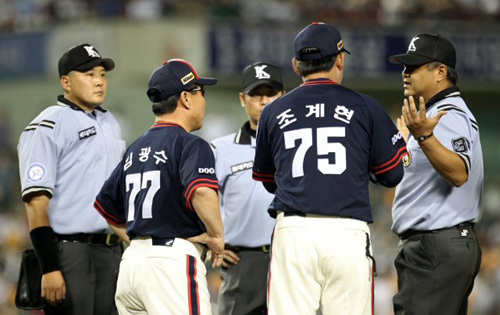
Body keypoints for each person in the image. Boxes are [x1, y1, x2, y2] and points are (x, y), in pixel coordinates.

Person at [252, 22, 407, 315]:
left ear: (296, 65)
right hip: (346, 232)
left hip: (294, 231)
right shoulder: (366, 107)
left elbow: (269, 180)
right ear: (340, 59)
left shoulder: (273, 111)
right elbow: (392, 174)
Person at [93, 59, 225, 314]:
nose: (203, 100)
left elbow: (107, 208)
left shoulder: (135, 148)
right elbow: (200, 191)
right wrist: (216, 235)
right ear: (186, 98)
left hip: (132, 265)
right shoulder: (190, 144)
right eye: (201, 92)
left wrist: (140, 244)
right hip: (170, 265)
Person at [17, 43, 125, 315]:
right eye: (89, 75)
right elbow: (36, 205)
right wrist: (50, 267)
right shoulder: (48, 125)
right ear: (66, 82)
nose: (99, 81)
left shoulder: (110, 122)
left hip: (112, 250)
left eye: (102, 74)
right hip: (70, 252)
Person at [389, 33, 483, 315]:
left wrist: (424, 136)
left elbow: (458, 172)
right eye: (405, 66)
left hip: (437, 243)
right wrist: (409, 143)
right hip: (435, 245)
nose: (405, 72)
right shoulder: (430, 115)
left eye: (414, 66)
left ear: (441, 72)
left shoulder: (448, 113)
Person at [211, 62, 285, 315]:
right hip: (243, 261)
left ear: (283, 97)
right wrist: (209, 240)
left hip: (291, 257)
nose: (264, 101)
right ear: (243, 99)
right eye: (256, 94)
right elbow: (193, 198)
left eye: (271, 93)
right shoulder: (219, 149)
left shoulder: (298, 144)